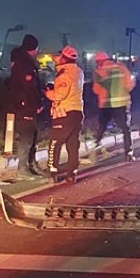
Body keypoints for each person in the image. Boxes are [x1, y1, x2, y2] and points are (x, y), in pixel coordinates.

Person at [45, 45, 84, 182]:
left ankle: (52, 172)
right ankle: (71, 173)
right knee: (72, 144)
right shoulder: (78, 72)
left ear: (64, 58)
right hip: (77, 113)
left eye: (60, 56)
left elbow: (59, 95)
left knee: (55, 143)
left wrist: (47, 92)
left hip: (64, 114)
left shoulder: (65, 75)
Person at [5, 33, 43, 176]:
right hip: (24, 106)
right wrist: (34, 104)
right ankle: (22, 168)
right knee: (27, 137)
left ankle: (32, 164)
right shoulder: (24, 64)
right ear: (33, 48)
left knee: (33, 136)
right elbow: (28, 89)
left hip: (28, 106)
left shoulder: (25, 62)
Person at [91, 52, 137, 160]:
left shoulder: (98, 72)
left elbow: (96, 89)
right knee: (126, 129)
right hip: (121, 104)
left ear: (99, 61)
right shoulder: (122, 68)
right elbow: (130, 85)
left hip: (105, 105)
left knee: (102, 127)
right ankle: (129, 153)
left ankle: (96, 146)